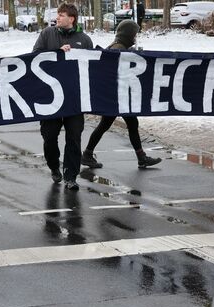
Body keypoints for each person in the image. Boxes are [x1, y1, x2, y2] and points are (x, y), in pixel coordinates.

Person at [81, 20, 160, 169]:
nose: (135, 37)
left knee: (116, 124)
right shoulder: (118, 49)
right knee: (123, 124)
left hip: (117, 96)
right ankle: (140, 157)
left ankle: (88, 153)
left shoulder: (118, 47)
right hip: (117, 97)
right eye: (134, 34)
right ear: (127, 35)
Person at [32, 3, 94, 190]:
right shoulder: (47, 34)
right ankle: (53, 166)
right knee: (49, 137)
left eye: (61, 14)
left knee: (74, 138)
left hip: (74, 99)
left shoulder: (84, 39)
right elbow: (34, 58)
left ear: (72, 18)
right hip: (50, 99)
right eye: (57, 14)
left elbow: (92, 67)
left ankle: (71, 176)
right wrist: (57, 53)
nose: (57, 17)